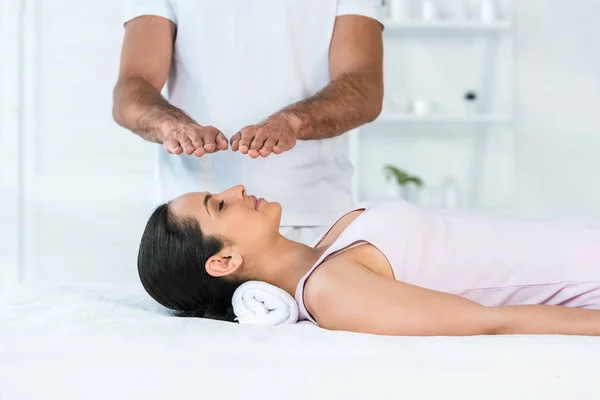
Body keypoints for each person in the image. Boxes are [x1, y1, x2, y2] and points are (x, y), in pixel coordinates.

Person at [137, 185, 600, 336]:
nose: (236, 190)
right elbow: (489, 321)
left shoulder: (331, 243)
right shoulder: (331, 291)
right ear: (223, 261)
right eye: (219, 206)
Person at [112, 1, 384, 245]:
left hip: (318, 221)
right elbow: (132, 89)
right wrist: (169, 125)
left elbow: (363, 89)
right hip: (194, 233)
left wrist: (292, 122)